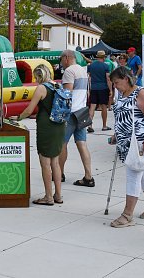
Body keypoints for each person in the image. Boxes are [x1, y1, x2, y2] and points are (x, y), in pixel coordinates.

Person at [109, 66, 144, 227]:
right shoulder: (123, 93)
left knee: (134, 175)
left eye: (116, 82)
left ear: (126, 79)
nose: (115, 86)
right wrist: (117, 134)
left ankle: (127, 215)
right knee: (142, 176)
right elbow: (124, 116)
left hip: (140, 141)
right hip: (127, 142)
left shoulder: (140, 93)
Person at [15, 64, 65, 205]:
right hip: (59, 125)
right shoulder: (57, 86)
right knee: (55, 162)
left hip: (46, 127)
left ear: (38, 76)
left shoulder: (41, 88)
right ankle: (58, 195)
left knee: (45, 162)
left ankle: (48, 197)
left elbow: (29, 110)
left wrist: (17, 118)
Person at [59, 50, 95, 187]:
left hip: (70, 113)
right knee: (82, 143)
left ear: (67, 58)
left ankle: (59, 173)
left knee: (62, 144)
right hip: (82, 111)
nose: (61, 62)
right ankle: (88, 176)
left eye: (61, 59)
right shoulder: (82, 71)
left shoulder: (68, 72)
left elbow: (67, 94)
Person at [87, 50, 112, 132]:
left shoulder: (91, 66)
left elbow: (89, 77)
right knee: (104, 106)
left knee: (92, 106)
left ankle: (90, 125)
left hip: (93, 88)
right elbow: (108, 79)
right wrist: (111, 90)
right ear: (104, 57)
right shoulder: (105, 66)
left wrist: (89, 89)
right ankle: (104, 126)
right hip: (103, 88)